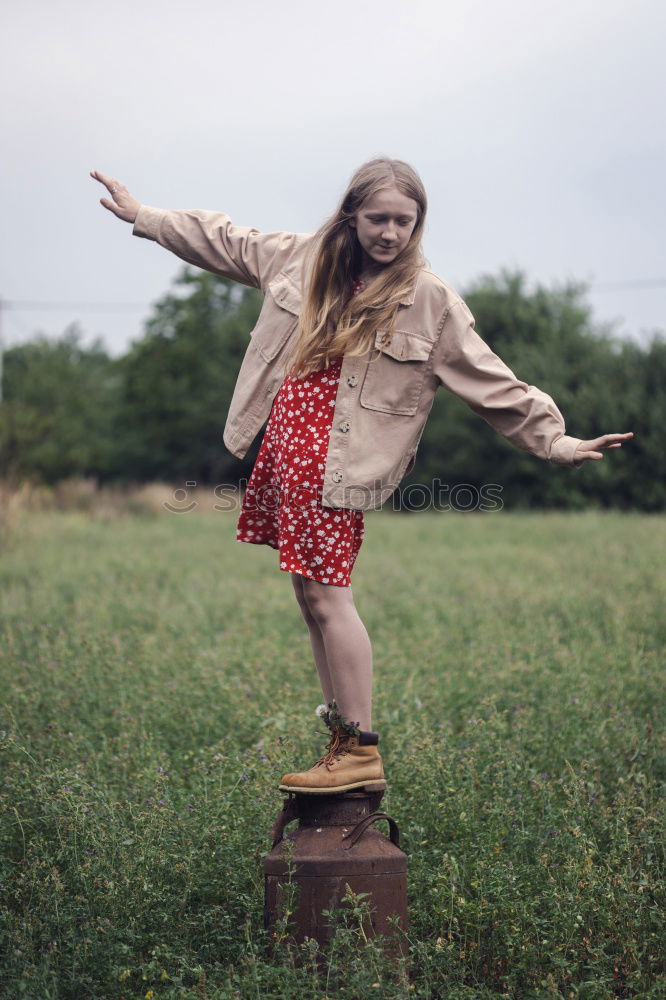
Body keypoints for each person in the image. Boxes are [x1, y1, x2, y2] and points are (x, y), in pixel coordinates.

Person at [90, 160, 633, 796]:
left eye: (406, 221)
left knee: (328, 596)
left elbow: (491, 380)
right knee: (308, 594)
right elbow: (226, 239)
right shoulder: (302, 259)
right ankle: (340, 738)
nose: (392, 233)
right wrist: (146, 217)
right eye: (379, 218)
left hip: (337, 464)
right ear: (351, 213)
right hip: (288, 451)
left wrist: (554, 439)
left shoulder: (428, 299)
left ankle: (359, 750)